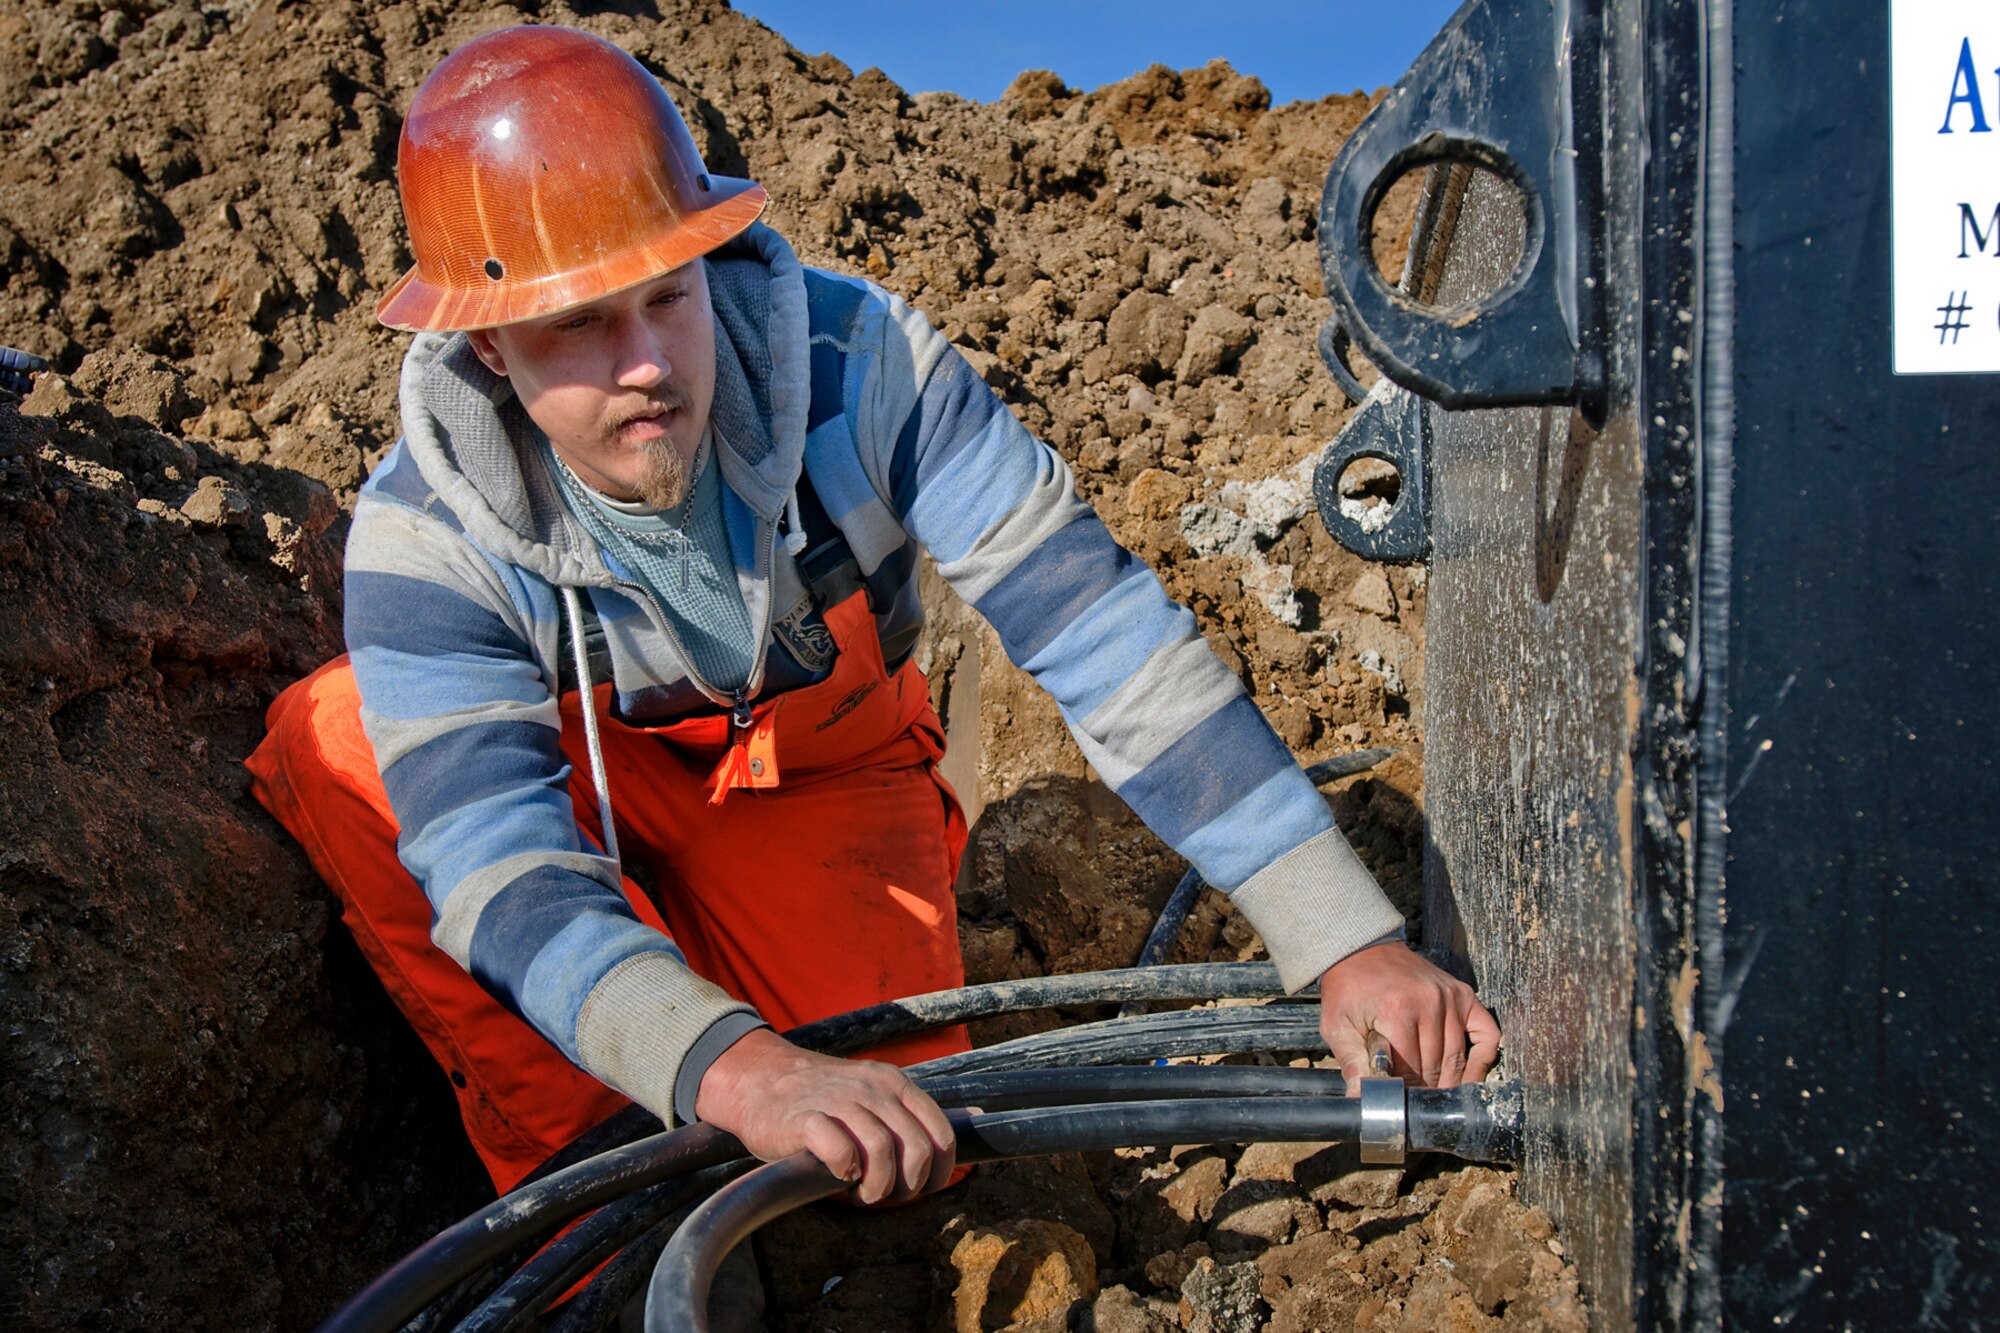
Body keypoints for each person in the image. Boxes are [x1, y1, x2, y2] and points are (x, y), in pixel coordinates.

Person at [246, 24, 1499, 1208]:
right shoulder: (427, 537)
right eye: (580, 322)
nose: (648, 362)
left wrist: (1342, 940)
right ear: (487, 352)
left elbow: (1098, 634)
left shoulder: (864, 366)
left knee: (888, 1154)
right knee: (341, 731)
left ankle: (714, 1033)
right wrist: (738, 1071)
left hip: (818, 766)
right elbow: (499, 865)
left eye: (668, 296)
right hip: (591, 778)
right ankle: (596, 1177)